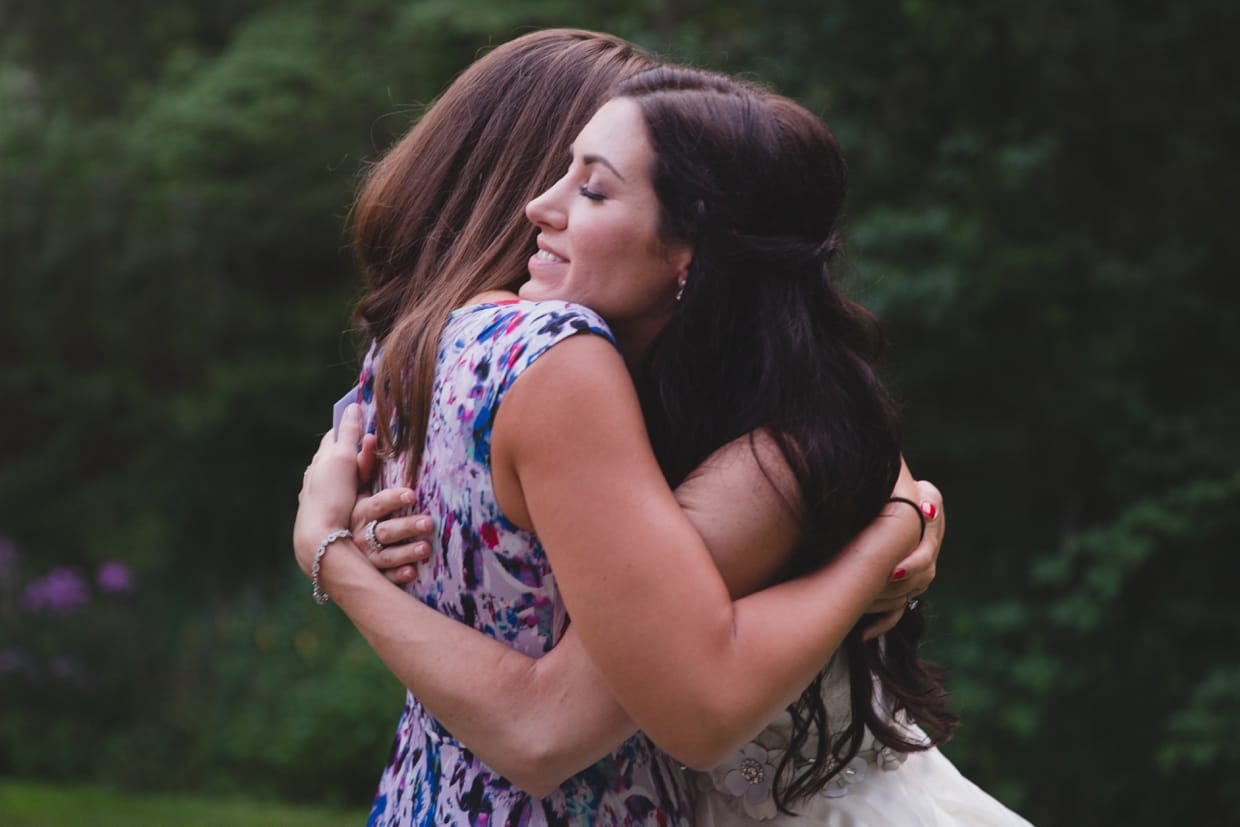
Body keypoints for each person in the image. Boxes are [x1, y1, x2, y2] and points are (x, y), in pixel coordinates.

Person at [293, 35, 965, 827]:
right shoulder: (529, 362)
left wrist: (895, 510)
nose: (542, 204)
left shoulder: (480, 356)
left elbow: (556, 723)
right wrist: (893, 519)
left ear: (693, 238)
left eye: (595, 186)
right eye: (565, 169)